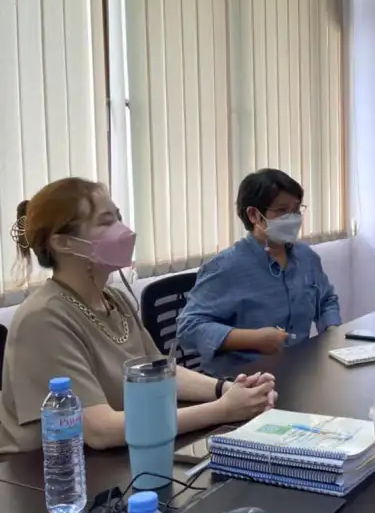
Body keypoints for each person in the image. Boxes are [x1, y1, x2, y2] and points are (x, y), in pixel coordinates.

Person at [0, 178, 277, 454]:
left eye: (118, 217)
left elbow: (159, 371)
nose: (123, 230)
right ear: (63, 243)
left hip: (118, 454)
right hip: (44, 471)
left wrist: (227, 389)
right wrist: (223, 409)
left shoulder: (113, 299)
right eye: (106, 221)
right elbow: (101, 430)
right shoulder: (43, 319)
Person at [177, 168, 341, 376]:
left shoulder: (306, 258)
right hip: (241, 381)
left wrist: (332, 331)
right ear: (254, 215)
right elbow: (188, 328)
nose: (292, 218)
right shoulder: (226, 267)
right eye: (282, 210)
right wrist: (252, 339)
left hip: (297, 371)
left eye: (296, 210)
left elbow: (326, 300)